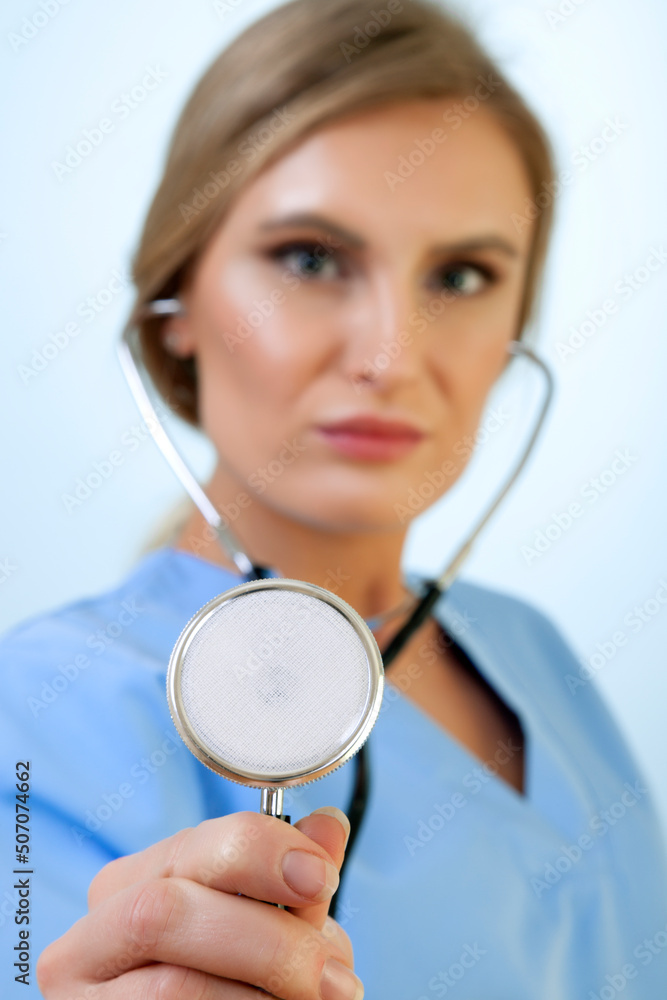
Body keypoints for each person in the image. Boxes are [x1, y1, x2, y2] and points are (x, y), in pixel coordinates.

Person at [2, 0, 666, 997]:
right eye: (309, 260)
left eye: (461, 275)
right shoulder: (36, 712)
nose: (389, 357)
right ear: (175, 307)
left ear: (514, 333)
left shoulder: (531, 651)